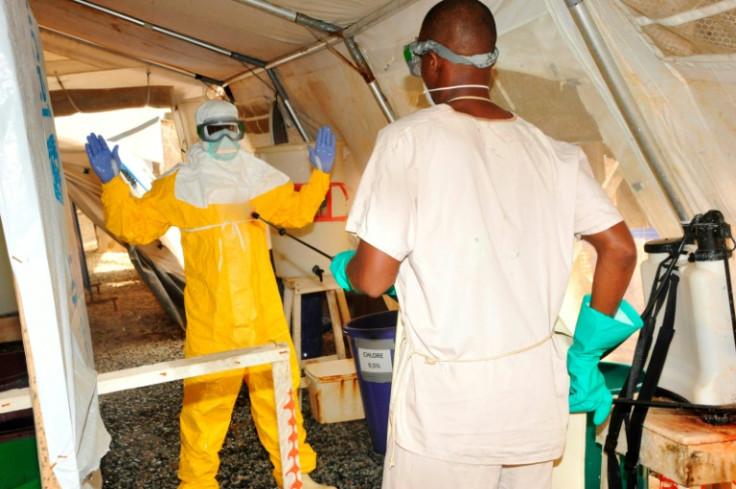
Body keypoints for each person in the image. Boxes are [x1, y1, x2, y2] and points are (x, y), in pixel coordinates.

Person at [329, 1, 642, 488]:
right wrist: (583, 353)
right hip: (534, 398)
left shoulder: (407, 140)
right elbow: (620, 249)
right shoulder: (554, 153)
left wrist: (346, 266)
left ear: (430, 61)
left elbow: (372, 279)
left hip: (451, 411)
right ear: (491, 62)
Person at [85, 99, 337, 489]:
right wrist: (112, 185)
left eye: (230, 128)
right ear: (199, 136)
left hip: (261, 316)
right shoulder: (179, 184)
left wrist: (320, 175)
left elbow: (295, 214)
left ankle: (295, 476)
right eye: (213, 129)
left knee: (279, 396)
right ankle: (197, 484)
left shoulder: (258, 177)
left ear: (240, 131)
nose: (223, 137)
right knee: (205, 408)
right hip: (212, 320)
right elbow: (134, 228)